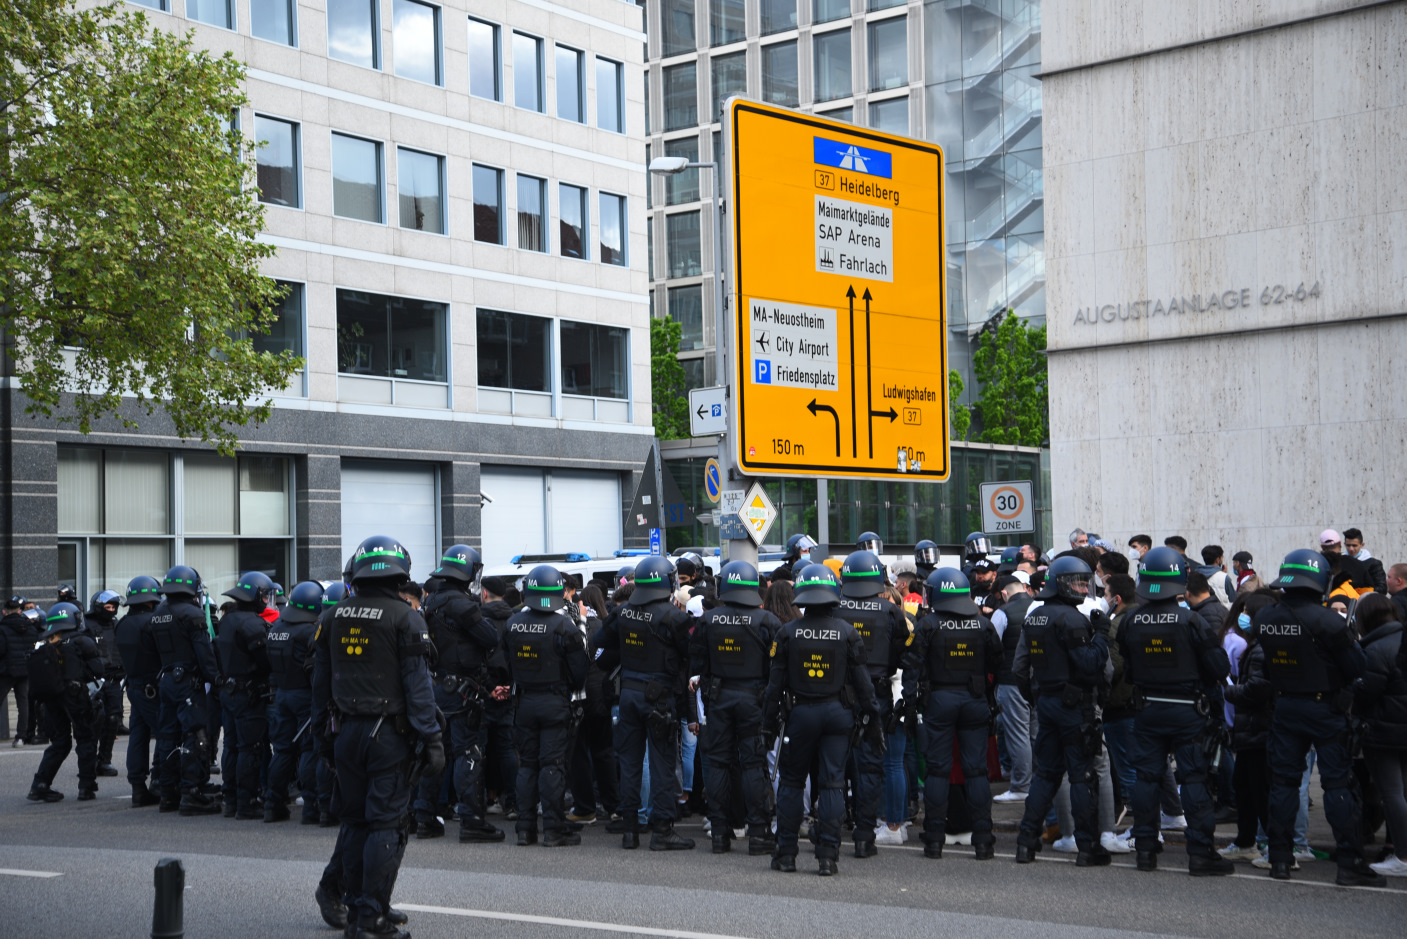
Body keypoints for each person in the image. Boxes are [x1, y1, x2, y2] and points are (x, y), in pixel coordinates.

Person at [312, 535, 441, 939]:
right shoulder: (406, 618)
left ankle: (362, 909)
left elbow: (319, 684)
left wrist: (322, 737)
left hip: (346, 731)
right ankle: (370, 919)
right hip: (388, 736)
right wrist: (433, 740)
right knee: (387, 824)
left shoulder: (332, 616)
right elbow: (418, 688)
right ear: (400, 571)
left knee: (354, 823)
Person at [1253, 549, 1385, 887]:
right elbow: (1357, 667)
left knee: (1283, 783)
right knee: (1338, 784)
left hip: (1286, 707)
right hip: (1325, 708)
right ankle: (1350, 862)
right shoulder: (1328, 620)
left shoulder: (1265, 616)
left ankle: (1280, 859)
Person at [1116, 547, 1233, 876]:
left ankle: (1145, 851)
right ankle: (1200, 854)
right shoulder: (1191, 620)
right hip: (1187, 712)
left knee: (1146, 779)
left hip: (1148, 710)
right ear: (1178, 580)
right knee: (1194, 780)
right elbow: (1218, 666)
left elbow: (1128, 663)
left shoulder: (1131, 621)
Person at [763, 564, 878, 876]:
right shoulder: (847, 632)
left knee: (791, 782)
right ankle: (827, 855)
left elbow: (774, 686)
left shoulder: (786, 633)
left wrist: (766, 726)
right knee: (832, 785)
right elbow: (864, 685)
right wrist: (874, 722)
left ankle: (786, 853)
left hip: (799, 715)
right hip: (837, 716)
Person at [1011, 555, 1111, 867]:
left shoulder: (1035, 617)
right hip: (1073, 706)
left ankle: (1026, 841)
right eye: (1077, 583)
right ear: (1060, 584)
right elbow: (1090, 664)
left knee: (1047, 774)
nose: (1082, 588)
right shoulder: (1072, 619)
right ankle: (1087, 847)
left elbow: (1019, 668)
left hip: (1047, 703)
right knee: (1081, 775)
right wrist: (1102, 634)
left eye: (1085, 582)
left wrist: (1037, 697)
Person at [592, 555, 695, 850]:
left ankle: (630, 832)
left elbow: (600, 641)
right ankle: (662, 831)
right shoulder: (674, 617)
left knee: (630, 763)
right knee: (662, 764)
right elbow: (692, 652)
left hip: (628, 694)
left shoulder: (623, 613)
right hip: (659, 696)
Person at [905, 568, 1002, 860]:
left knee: (938, 770)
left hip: (939, 701)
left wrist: (911, 704)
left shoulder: (928, 625)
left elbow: (912, 666)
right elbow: (997, 664)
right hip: (974, 700)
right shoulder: (983, 625)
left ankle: (934, 839)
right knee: (976, 771)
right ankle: (983, 839)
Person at [690, 560, 781, 855]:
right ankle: (758, 833)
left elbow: (699, 666)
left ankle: (719, 833)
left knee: (717, 764)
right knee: (753, 765)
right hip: (754, 700)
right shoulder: (767, 621)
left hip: (718, 699)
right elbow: (776, 669)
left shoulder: (708, 620)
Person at [414, 545, 503, 843]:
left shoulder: (433, 600)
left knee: (436, 753)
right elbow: (490, 638)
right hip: (462, 692)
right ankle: (471, 820)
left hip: (437, 686)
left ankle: (425, 817)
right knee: (469, 753)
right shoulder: (463, 605)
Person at [503, 564, 590, 846]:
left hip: (524, 701)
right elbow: (580, 672)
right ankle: (553, 828)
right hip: (554, 702)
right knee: (552, 765)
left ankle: (525, 828)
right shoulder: (564, 625)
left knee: (527, 765)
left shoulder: (512, 623)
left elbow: (504, 663)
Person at [835, 551, 910, 857]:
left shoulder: (835, 609)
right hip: (876, 694)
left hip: (839, 694)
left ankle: (831, 826)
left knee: (834, 763)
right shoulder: (890, 612)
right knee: (870, 767)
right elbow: (901, 652)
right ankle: (864, 834)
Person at [144, 565, 222, 815]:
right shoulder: (193, 614)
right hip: (188, 682)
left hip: (166, 679)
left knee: (167, 737)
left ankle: (168, 794)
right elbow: (204, 653)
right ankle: (192, 793)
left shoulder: (158, 613)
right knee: (195, 736)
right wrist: (217, 680)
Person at [1351, 593, 1407, 877]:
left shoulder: (1375, 649)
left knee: (1392, 794)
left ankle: (1403, 856)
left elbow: (1365, 693)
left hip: (1385, 731)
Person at [25, 603, 103, 802]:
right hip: (75, 695)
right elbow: (98, 670)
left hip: (51, 697)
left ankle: (40, 785)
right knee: (86, 739)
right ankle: (86, 787)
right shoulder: (82, 641)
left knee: (60, 742)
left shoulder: (44, 642)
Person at [1221, 590, 1276, 863]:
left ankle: (1279, 851)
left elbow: (1257, 690)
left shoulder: (1261, 650)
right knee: (1244, 787)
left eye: (1247, 613)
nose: (1242, 618)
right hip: (1250, 731)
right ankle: (1245, 842)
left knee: (1261, 790)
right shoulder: (1256, 646)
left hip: (1259, 730)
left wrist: (1226, 690)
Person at [215, 572, 275, 819]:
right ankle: (246, 802)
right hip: (248, 693)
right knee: (250, 747)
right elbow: (265, 661)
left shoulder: (228, 619)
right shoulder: (252, 623)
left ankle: (231, 799)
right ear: (256, 595)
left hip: (229, 690)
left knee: (231, 746)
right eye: (264, 595)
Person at [264, 580, 323, 824]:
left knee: (283, 751)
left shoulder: (276, 627)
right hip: (304, 696)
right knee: (309, 750)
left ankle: (272, 803)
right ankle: (311, 807)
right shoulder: (309, 632)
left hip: (281, 695)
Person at [114, 576, 164, 807]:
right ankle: (159, 783)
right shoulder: (152, 622)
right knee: (166, 734)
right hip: (153, 687)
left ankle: (137, 787)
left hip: (133, 686)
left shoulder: (122, 623)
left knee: (138, 736)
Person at [479, 576, 521, 821]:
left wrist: (490, 687)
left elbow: (476, 659)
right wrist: (508, 686)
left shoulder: (477, 619)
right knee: (506, 749)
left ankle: (479, 801)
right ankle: (513, 803)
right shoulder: (515, 620)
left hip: (484, 693)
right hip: (508, 692)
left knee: (479, 750)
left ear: (484, 594)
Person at [993, 574, 1036, 804]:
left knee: (1017, 735)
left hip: (1011, 681)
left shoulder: (1003, 613)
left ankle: (1020, 785)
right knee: (1034, 734)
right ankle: (1038, 780)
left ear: (1004, 594)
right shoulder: (1039, 607)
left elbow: (992, 645)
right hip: (1038, 681)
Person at [85, 590, 124, 777]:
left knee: (113, 719)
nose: (111, 610)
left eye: (113, 607)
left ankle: (105, 760)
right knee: (96, 720)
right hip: (95, 681)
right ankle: (89, 761)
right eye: (107, 607)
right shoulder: (87, 625)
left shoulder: (116, 625)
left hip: (114, 680)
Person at [1, 596, 37, 746]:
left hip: (7, 670)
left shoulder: (2, 628)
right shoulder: (29, 627)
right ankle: (21, 737)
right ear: (20, 611)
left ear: (5, 612)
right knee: (23, 704)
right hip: (25, 669)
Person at [1343, 528, 1388, 594]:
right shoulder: (1340, 562)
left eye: (1354, 545)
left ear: (1362, 545)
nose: (1351, 549)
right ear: (1344, 544)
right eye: (1348, 545)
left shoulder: (1374, 564)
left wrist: (1360, 590)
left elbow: (1382, 589)